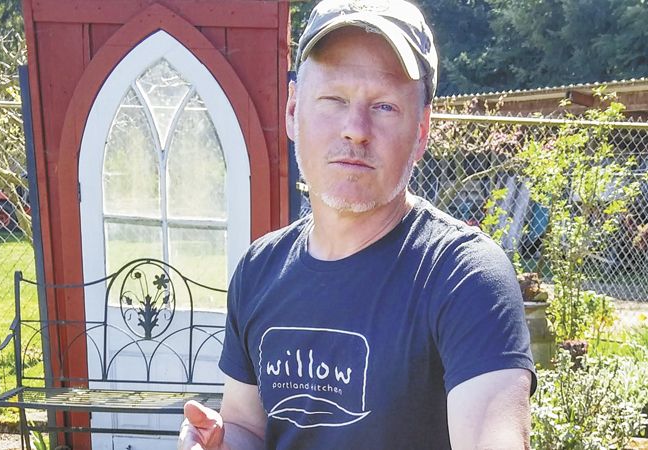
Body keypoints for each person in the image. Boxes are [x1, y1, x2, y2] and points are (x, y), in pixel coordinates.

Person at [178, 0, 535, 448]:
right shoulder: (259, 270)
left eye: (384, 106)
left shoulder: (463, 277)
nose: (355, 129)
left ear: (422, 129)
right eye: (334, 99)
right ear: (292, 111)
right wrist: (219, 443)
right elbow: (248, 425)